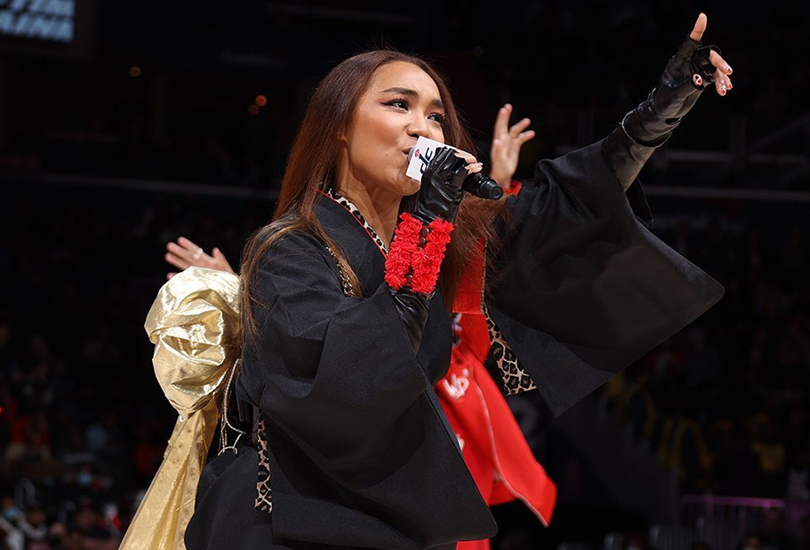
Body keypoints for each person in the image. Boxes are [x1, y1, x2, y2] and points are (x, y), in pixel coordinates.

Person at [124, 12, 731, 550]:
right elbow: (360, 375)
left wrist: (662, 108)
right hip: (284, 524)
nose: (424, 127)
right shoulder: (288, 251)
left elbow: (564, 212)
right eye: (398, 105)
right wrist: (431, 221)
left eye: (436, 114)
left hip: (383, 520)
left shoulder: (435, 235)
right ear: (338, 126)